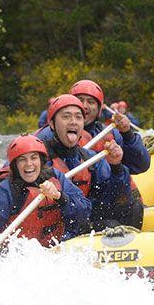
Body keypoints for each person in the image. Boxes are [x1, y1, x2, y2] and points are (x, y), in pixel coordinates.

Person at [0, 135, 91, 246]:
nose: (29, 164)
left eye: (33, 158)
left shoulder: (57, 178)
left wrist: (60, 197)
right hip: (17, 256)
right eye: (22, 159)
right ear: (15, 165)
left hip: (57, 249)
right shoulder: (7, 191)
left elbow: (85, 211)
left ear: (41, 161)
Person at [38, 94, 134, 229]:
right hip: (45, 231)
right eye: (66, 117)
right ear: (52, 124)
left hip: (77, 228)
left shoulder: (91, 159)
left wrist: (116, 166)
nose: (73, 122)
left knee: (116, 221)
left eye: (78, 117)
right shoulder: (35, 160)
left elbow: (112, 199)